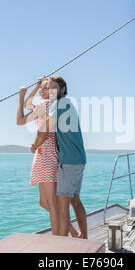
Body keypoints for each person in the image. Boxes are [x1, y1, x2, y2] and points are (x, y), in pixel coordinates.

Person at [16, 77, 80, 237]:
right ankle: (72, 231)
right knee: (44, 202)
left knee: (51, 204)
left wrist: (21, 95)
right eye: (41, 88)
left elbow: (20, 119)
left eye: (46, 88)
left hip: (46, 154)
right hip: (48, 154)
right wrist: (35, 86)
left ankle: (57, 242)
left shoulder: (45, 105)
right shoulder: (48, 105)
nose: (41, 91)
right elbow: (29, 106)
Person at [46, 75, 88, 239]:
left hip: (69, 161)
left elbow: (46, 127)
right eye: (48, 88)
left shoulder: (58, 103)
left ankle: (62, 248)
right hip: (79, 159)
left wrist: (35, 145)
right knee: (75, 200)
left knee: (62, 204)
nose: (50, 91)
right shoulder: (67, 104)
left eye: (53, 87)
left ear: (62, 90)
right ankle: (84, 239)